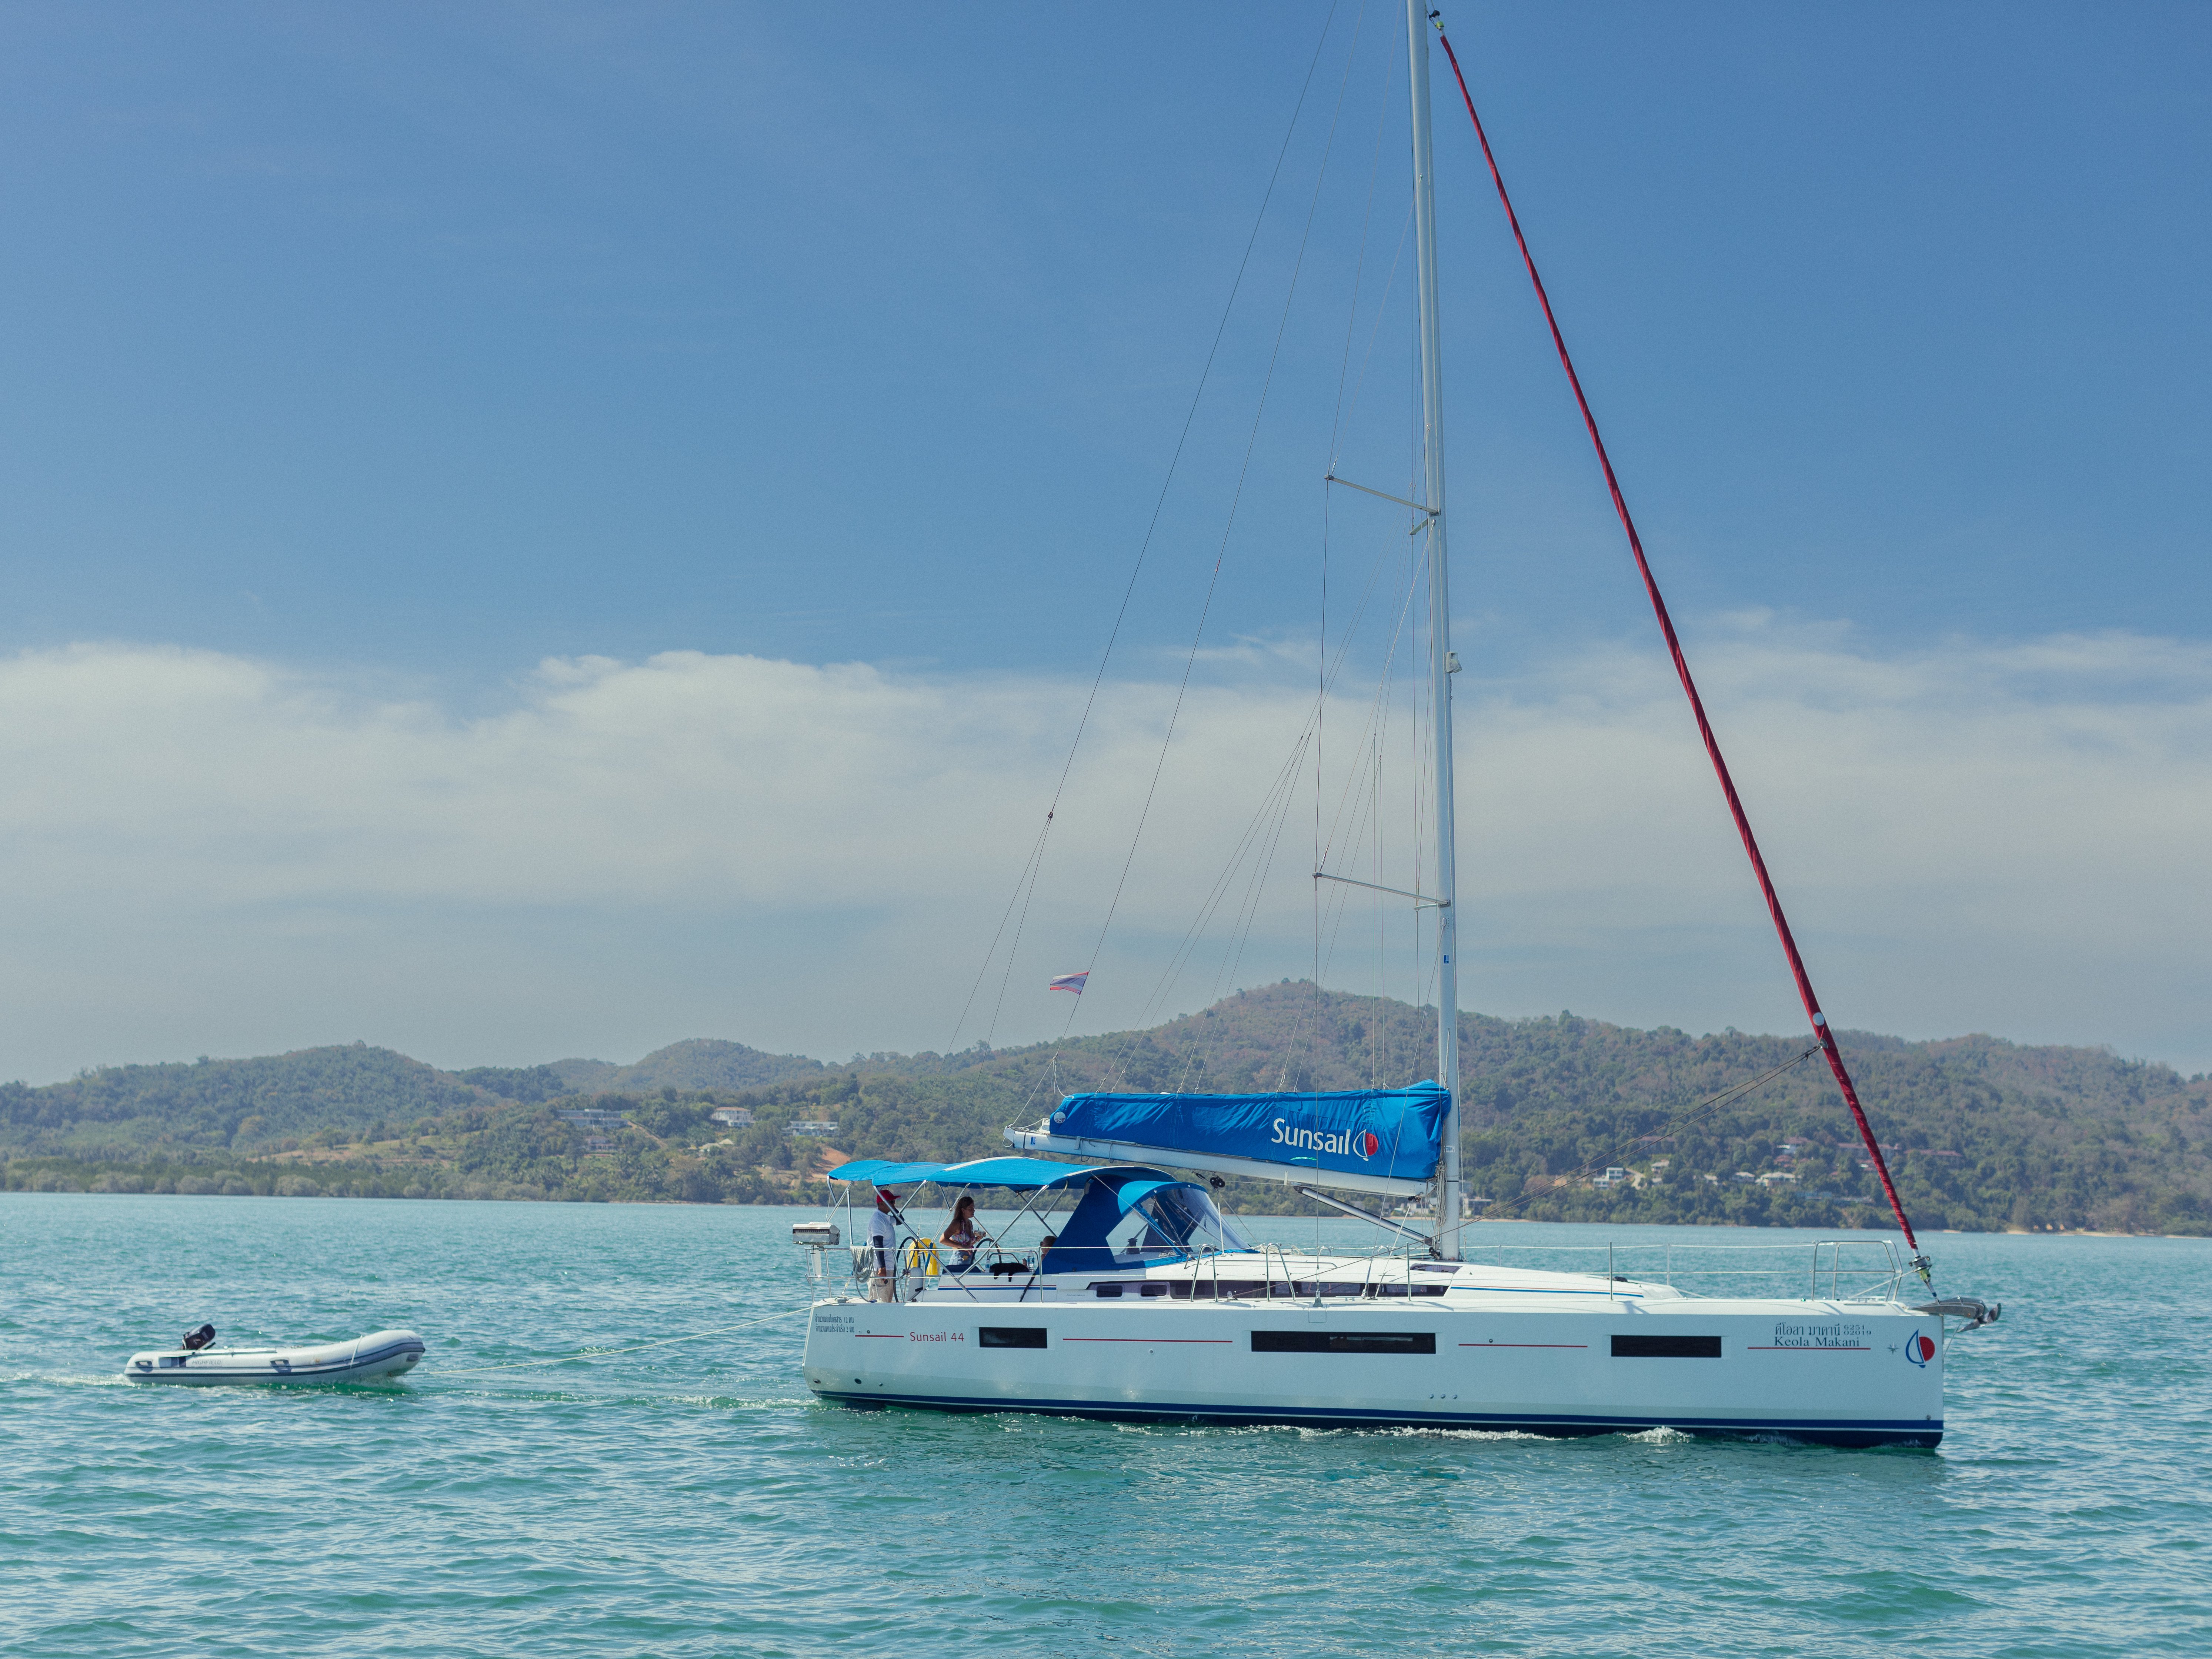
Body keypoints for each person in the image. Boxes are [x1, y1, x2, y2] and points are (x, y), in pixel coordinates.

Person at [865, 1188, 898, 1299]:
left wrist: (893, 1208)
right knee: (879, 1301)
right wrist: (882, 1268)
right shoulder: (878, 1220)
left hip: (889, 1266)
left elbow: (900, 1221)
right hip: (879, 1268)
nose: (894, 1204)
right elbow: (878, 1244)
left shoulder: (887, 1218)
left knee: (887, 1301)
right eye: (891, 1202)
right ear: (881, 1203)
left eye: (894, 1201)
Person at [939, 1194, 984, 1274]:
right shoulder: (957, 1223)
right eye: (971, 1209)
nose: (974, 1211)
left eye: (974, 1208)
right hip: (958, 1260)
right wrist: (962, 1246)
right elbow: (942, 1240)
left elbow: (968, 1244)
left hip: (969, 1259)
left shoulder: (969, 1223)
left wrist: (977, 1240)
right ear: (963, 1210)